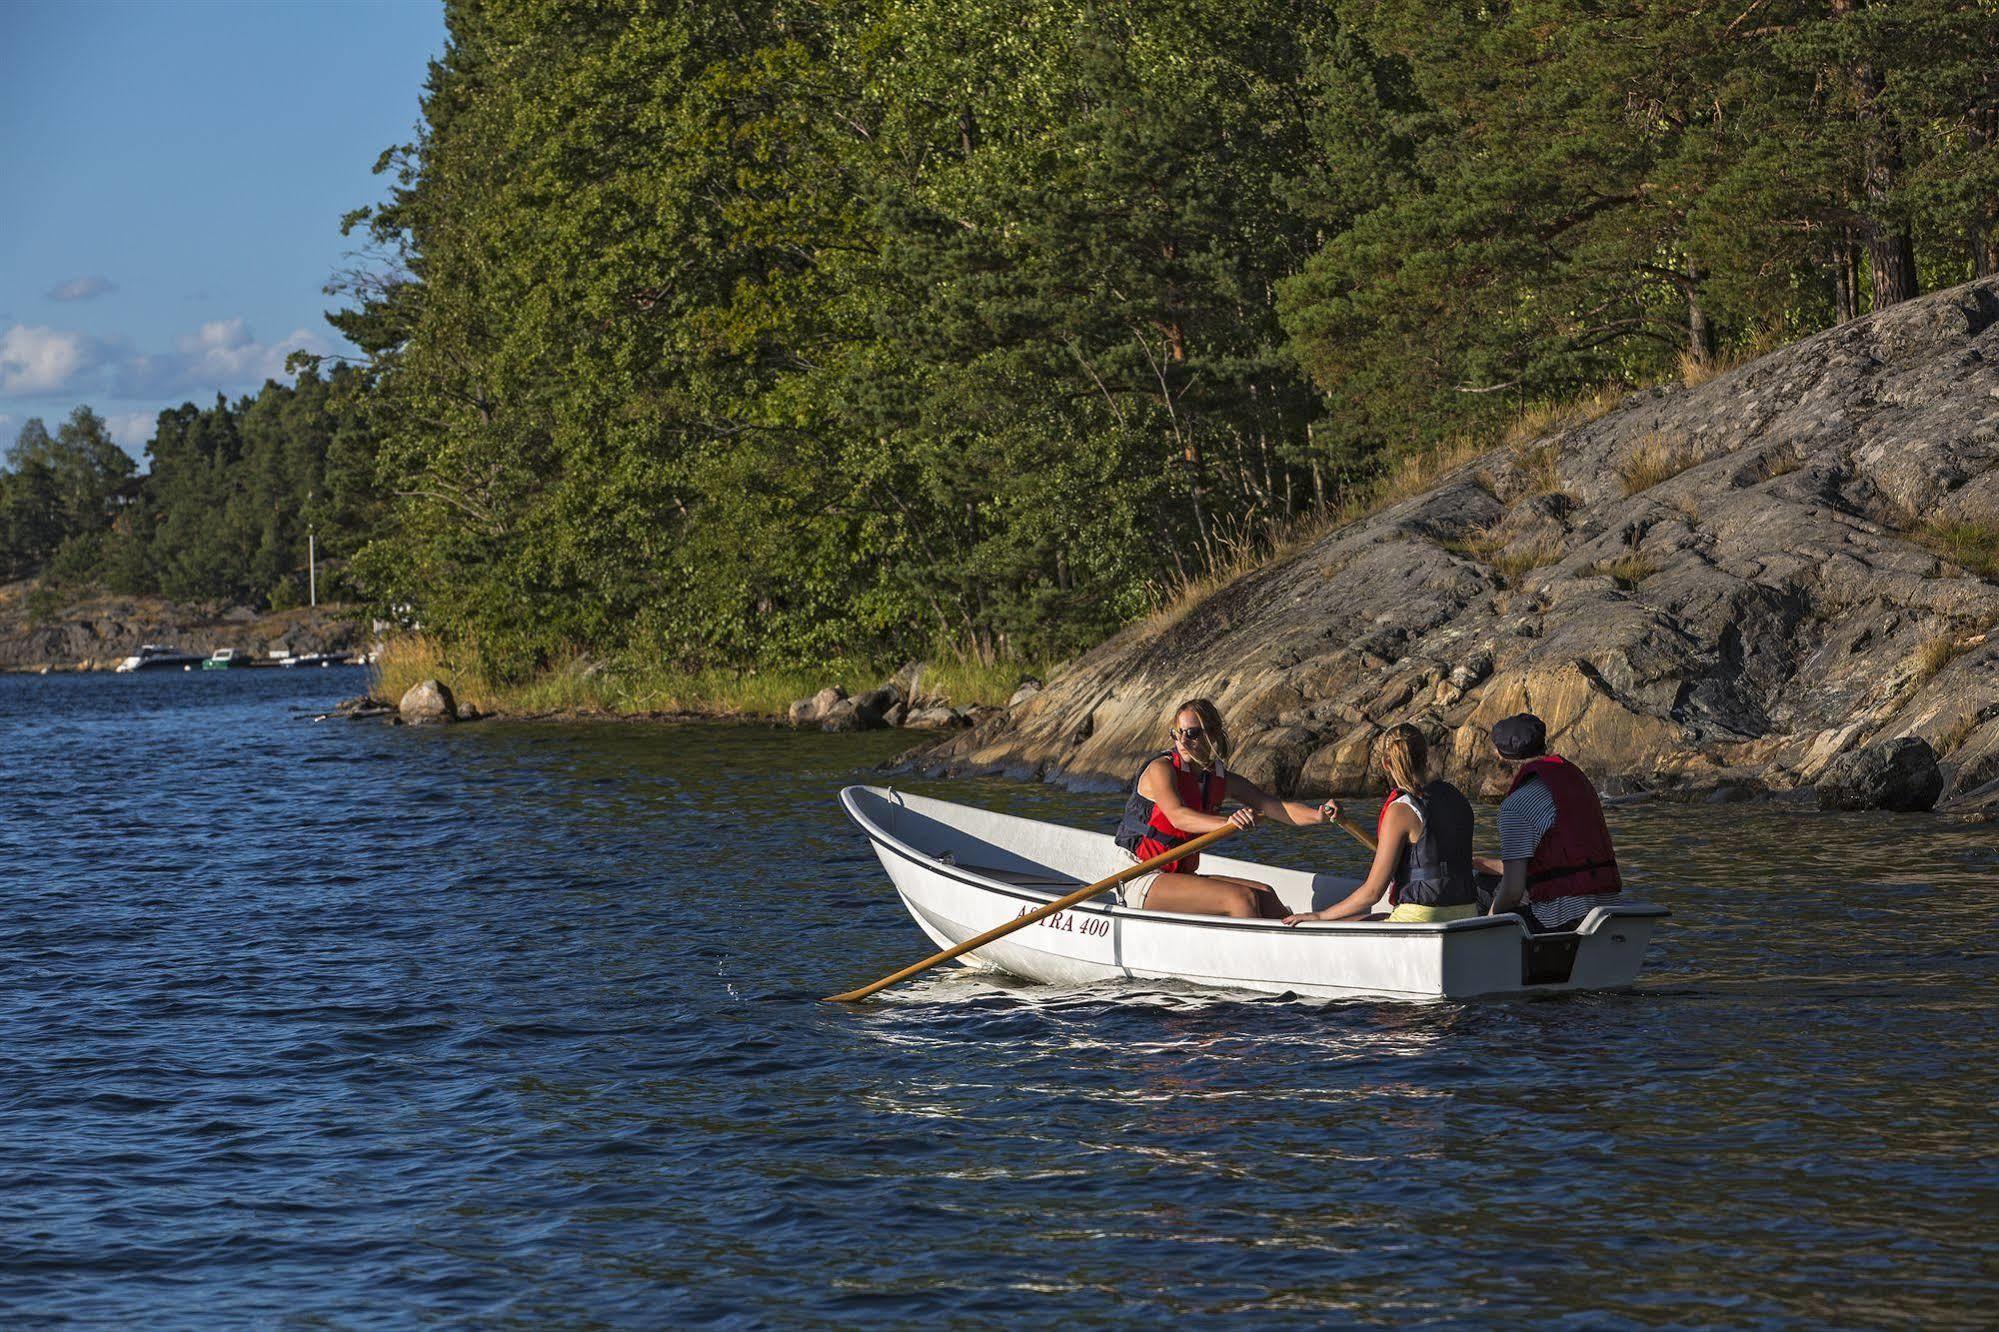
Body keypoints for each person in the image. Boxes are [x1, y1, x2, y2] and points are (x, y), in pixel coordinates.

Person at [1112, 698, 1335, 919]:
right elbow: (1178, 817)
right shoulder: (1161, 768)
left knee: (1266, 895)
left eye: (1191, 733)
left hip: (1178, 874)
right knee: (1241, 899)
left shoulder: (1219, 780)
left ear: (1213, 734)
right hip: (1138, 874)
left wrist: (1318, 815)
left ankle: (1292, 945)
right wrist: (1228, 822)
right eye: (1177, 733)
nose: (1182, 741)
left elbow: (1273, 806)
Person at [1282, 724, 1478, 925]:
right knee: (1375, 917)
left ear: (1386, 762)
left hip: (1423, 916)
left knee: (1345, 922)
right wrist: (1345, 821)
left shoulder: (1401, 810)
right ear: (1426, 755)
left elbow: (1373, 892)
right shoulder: (1456, 797)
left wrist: (1320, 915)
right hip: (1468, 912)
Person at [1474, 712, 1623, 931]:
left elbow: (1513, 891)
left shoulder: (1516, 805)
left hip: (1559, 920)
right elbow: (1554, 862)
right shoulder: (1576, 779)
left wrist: (1487, 924)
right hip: (1606, 909)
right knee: (1486, 877)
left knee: (1477, 887)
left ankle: (1483, 959)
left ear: (1500, 757)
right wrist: (1480, 863)